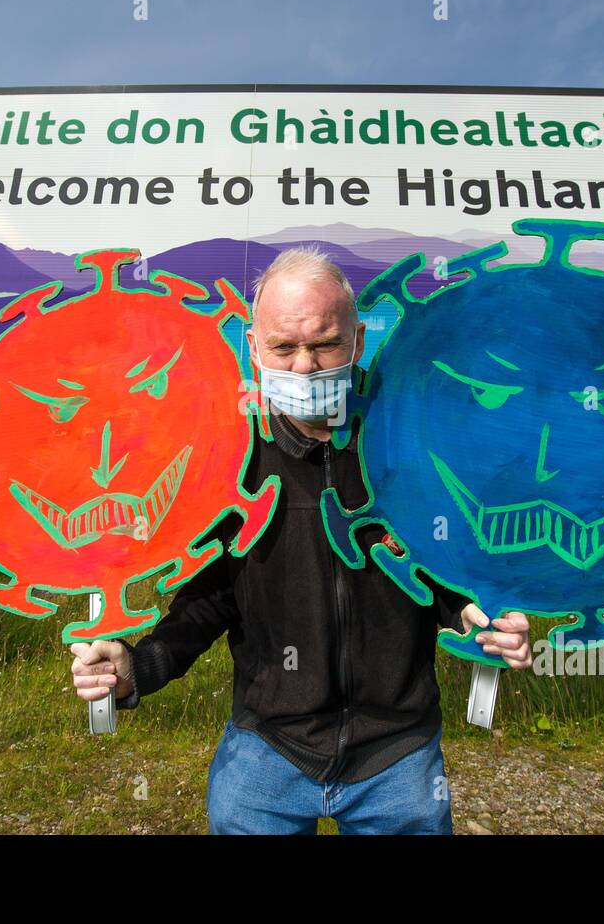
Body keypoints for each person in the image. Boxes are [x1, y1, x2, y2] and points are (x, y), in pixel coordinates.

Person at [71, 245, 531, 834]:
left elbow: (441, 565)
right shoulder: (230, 464)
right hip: (265, 754)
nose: (305, 368)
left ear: (359, 341)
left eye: (325, 344)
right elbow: (211, 593)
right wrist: (141, 665)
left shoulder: (415, 446)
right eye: (284, 348)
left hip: (400, 756)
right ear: (254, 348)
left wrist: (483, 618)